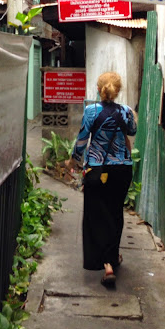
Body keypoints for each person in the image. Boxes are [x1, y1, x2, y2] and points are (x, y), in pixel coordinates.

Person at [65, 71, 137, 287]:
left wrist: (73, 161)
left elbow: (82, 140)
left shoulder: (91, 111)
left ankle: (107, 265)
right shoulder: (126, 111)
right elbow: (132, 131)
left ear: (98, 89)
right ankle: (113, 256)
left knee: (97, 216)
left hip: (97, 170)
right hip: (122, 169)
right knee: (115, 213)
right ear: (118, 90)